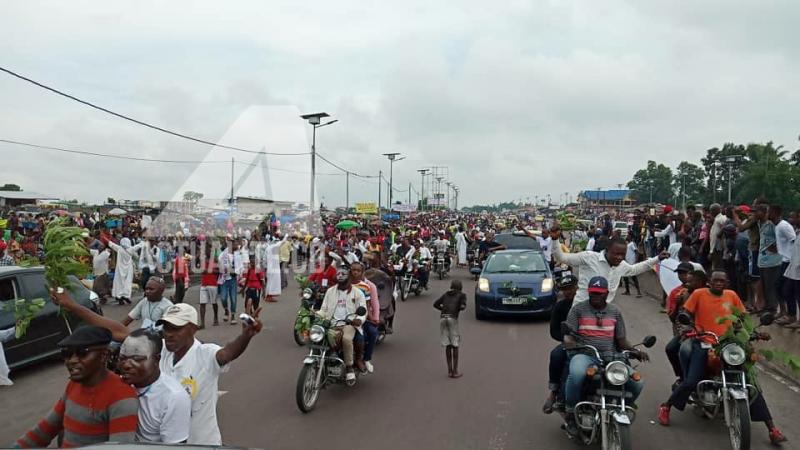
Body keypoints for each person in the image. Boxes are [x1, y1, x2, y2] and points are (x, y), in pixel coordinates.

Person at [51, 295, 263, 445]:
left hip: (200, 443)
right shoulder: (158, 350)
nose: (169, 333)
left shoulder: (206, 354)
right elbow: (117, 331)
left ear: (193, 328)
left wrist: (246, 335)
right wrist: (72, 306)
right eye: (166, 327)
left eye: (176, 328)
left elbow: (227, 353)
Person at [657, 271, 787, 444]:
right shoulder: (699, 294)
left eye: (722, 281)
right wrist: (689, 327)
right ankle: (666, 406)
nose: (719, 283)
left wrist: (753, 332)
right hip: (704, 342)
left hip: (728, 344)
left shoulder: (732, 295)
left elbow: (741, 319)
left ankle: (772, 429)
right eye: (715, 280)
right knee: (691, 380)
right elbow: (686, 313)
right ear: (709, 282)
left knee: (750, 382)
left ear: (727, 282)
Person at [14, 326, 138, 448]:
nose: (72, 361)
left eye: (82, 353)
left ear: (104, 355)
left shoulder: (122, 397)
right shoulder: (74, 385)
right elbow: (45, 430)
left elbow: (119, 447)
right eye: (67, 353)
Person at [562, 276, 648, 436]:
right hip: (586, 355)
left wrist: (635, 351)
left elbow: (621, 340)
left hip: (611, 357)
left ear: (607, 293)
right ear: (588, 292)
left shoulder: (615, 311)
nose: (596, 296)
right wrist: (570, 343)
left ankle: (621, 408)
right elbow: (568, 336)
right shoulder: (578, 309)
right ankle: (570, 414)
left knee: (637, 383)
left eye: (599, 293)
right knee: (577, 373)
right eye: (593, 293)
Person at [550, 226, 668, 304]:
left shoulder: (621, 265)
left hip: (604, 314)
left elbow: (635, 269)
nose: (619, 258)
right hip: (581, 312)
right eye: (616, 254)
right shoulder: (588, 257)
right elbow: (562, 257)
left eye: (623, 255)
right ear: (607, 250)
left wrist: (657, 259)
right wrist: (555, 240)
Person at [118, 329, 191, 443]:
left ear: (156, 359)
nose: (126, 365)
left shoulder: (174, 397)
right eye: (122, 358)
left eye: (137, 359)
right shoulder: (120, 385)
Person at [316, 266, 367, 382]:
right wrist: (315, 315)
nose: (341, 283)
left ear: (349, 279)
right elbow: (324, 309)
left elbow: (363, 309)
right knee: (318, 337)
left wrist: (359, 319)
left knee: (346, 339)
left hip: (349, 324)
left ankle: (349, 367)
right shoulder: (330, 291)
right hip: (332, 323)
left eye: (344, 280)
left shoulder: (358, 293)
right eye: (339, 281)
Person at [542, 275, 578, 414]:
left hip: (592, 342)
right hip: (571, 343)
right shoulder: (560, 306)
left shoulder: (587, 304)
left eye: (570, 288)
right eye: (565, 289)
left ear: (577, 287)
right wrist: (566, 338)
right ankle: (553, 391)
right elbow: (554, 331)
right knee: (556, 354)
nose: (568, 292)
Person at [433, 279, 467, 378]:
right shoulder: (462, 295)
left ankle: (449, 371)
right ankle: (455, 372)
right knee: (455, 345)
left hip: (443, 318)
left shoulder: (446, 294)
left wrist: (443, 309)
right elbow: (463, 306)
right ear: (460, 287)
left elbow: (435, 304)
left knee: (447, 344)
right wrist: (458, 308)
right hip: (452, 318)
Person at [351, 261, 379, 373]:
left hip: (362, 317)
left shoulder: (368, 287)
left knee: (372, 332)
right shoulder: (344, 284)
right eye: (353, 270)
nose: (355, 273)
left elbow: (372, 304)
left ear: (363, 273)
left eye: (358, 271)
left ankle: (366, 359)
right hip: (344, 317)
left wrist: (374, 318)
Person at [757, 204, 782, 314]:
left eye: (767, 212)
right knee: (765, 286)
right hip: (763, 260)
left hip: (772, 260)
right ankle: (767, 307)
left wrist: (777, 247)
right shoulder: (761, 224)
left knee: (771, 285)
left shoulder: (773, 225)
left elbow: (781, 238)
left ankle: (772, 309)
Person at [108, 237, 144, 305]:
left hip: (119, 269)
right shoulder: (131, 249)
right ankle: (126, 296)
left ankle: (120, 297)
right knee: (127, 283)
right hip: (128, 269)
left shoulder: (119, 249)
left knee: (119, 282)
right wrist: (144, 241)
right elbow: (139, 245)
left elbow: (111, 244)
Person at [217, 240, 242, 323]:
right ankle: (226, 310)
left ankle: (233, 316)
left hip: (232, 279)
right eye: (235, 244)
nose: (237, 246)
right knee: (223, 298)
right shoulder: (223, 254)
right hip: (224, 278)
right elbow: (219, 263)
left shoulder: (238, 255)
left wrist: (235, 271)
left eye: (237, 245)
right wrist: (223, 269)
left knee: (233, 298)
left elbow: (240, 267)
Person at [199, 245, 220, 328]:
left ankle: (215, 317)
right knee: (202, 303)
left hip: (212, 283)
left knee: (214, 302)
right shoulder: (202, 260)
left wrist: (208, 270)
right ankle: (202, 323)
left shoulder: (215, 260)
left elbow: (219, 271)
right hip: (204, 283)